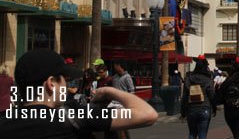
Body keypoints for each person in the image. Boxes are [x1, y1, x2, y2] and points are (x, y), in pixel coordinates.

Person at [0, 49, 157, 138]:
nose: (66, 85)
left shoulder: (5, 122)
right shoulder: (73, 115)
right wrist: (109, 91)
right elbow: (147, 114)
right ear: (51, 83)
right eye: (64, 79)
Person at [180, 57, 216, 139]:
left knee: (192, 134)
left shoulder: (189, 79)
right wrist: (214, 108)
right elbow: (212, 96)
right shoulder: (208, 80)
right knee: (202, 134)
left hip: (191, 109)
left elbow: (184, 97)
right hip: (204, 108)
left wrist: (183, 113)